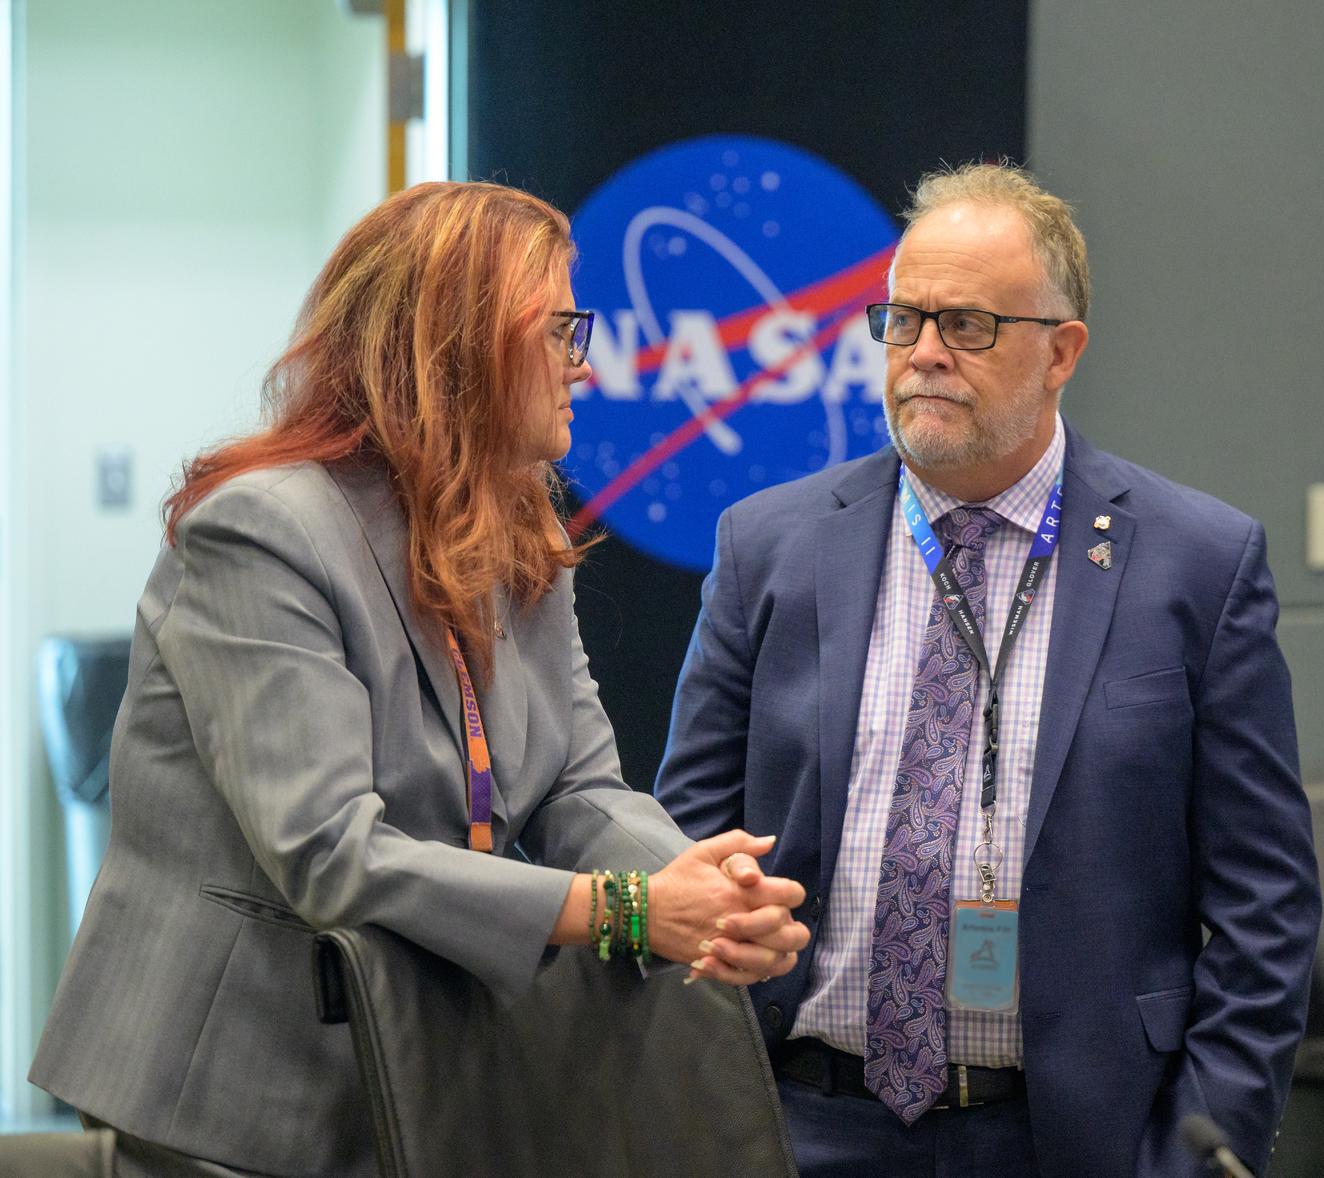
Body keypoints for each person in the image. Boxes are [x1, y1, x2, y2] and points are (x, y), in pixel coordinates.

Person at [29, 181, 810, 1177]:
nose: (584, 363)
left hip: (417, 1068)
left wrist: (692, 888)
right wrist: (624, 910)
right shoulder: (261, 528)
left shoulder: (516, 517)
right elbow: (331, 849)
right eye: (560, 329)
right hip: (231, 1096)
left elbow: (579, 785)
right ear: (455, 343)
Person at [655, 162, 1321, 1178]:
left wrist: (1197, 1151)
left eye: (966, 325)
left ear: (1061, 351)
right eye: (902, 319)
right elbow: (685, 842)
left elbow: (1261, 907)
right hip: (798, 1121)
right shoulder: (769, 548)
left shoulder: (1194, 564)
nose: (923, 353)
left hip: (1071, 1139)